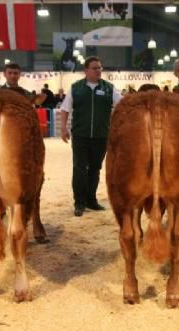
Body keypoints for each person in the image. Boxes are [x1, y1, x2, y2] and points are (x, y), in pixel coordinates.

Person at [59, 56, 122, 217]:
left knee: (95, 168)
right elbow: (65, 109)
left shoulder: (109, 88)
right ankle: (79, 202)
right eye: (95, 68)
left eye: (100, 68)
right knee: (80, 168)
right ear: (86, 71)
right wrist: (63, 129)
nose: (98, 71)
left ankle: (91, 200)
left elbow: (123, 106)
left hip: (101, 136)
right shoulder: (76, 88)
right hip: (80, 135)